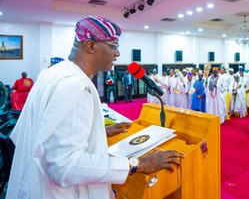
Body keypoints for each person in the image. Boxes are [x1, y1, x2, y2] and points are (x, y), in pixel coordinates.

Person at [7, 16, 184, 199]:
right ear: (90, 45)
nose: (117, 54)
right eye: (113, 47)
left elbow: (36, 134)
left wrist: (98, 131)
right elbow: (66, 167)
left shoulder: (52, 73)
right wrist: (137, 163)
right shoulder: (74, 84)